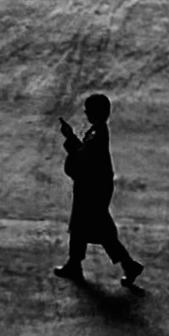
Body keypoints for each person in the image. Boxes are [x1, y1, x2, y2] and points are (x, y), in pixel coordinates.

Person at [55, 90, 143, 287]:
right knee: (87, 228)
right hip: (94, 189)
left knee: (94, 230)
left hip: (91, 191)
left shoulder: (96, 137)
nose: (86, 114)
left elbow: (81, 159)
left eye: (88, 111)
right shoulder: (98, 133)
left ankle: (125, 265)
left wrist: (69, 139)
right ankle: (76, 263)